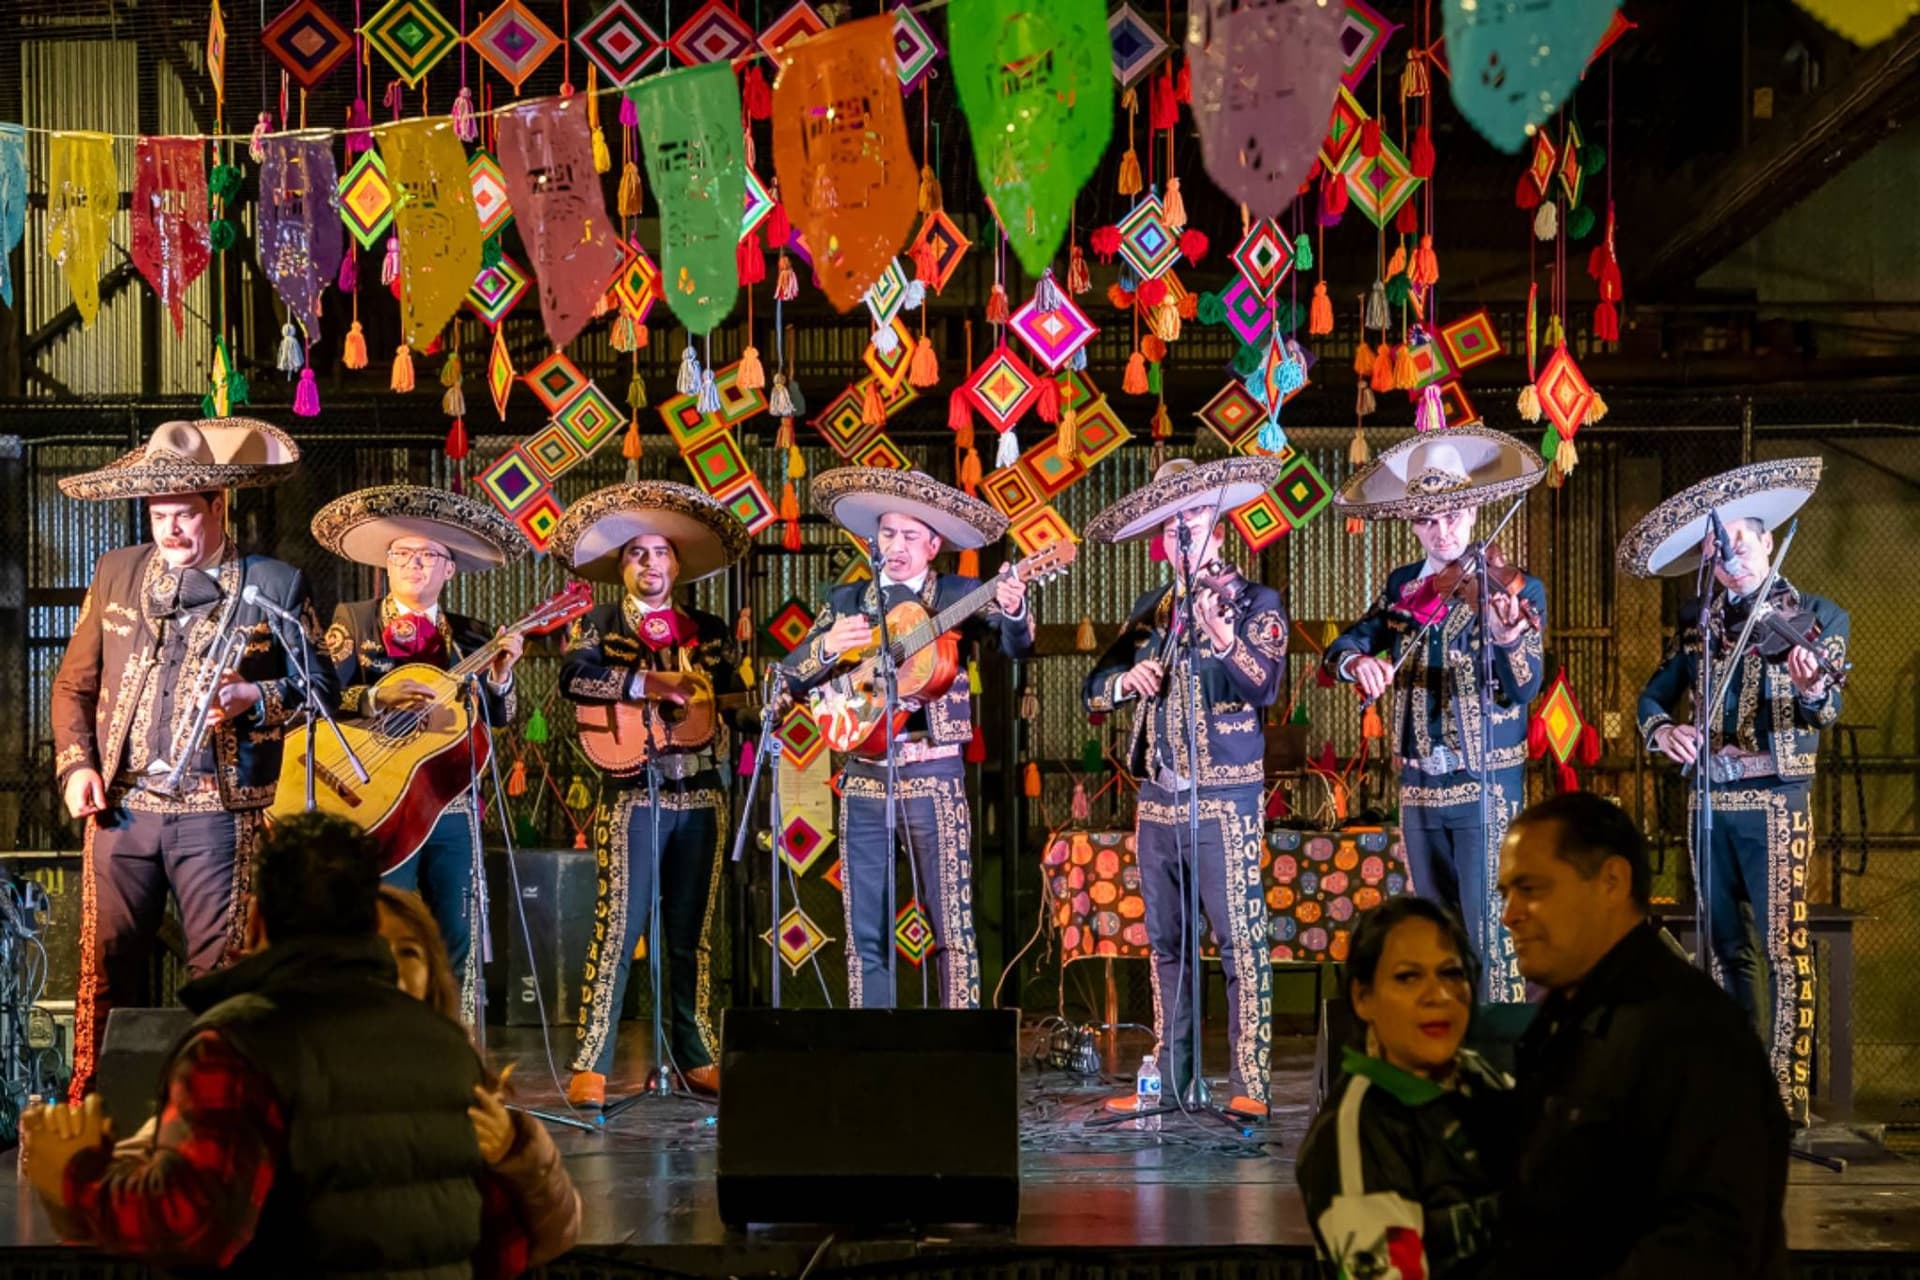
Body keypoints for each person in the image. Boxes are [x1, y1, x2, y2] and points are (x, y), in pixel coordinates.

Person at [18, 813, 549, 1276]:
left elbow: (191, 1230)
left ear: (253, 922)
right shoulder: (448, 1048)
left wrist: (75, 1176)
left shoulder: (237, 1048)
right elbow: (503, 1250)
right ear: (370, 922)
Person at [49, 417, 339, 1102]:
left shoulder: (275, 581)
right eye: (159, 515)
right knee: (105, 967)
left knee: (221, 973)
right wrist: (75, 767)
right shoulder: (116, 572)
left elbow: (321, 689)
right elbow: (72, 685)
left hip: (218, 813)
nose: (171, 530)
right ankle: (90, 1108)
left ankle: (215, 1116)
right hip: (121, 809)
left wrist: (254, 696)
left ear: (219, 507)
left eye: (185, 515)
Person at [1619, 458, 1848, 1127]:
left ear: (1769, 542)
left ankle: (1787, 1093)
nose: (1731, 566)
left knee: (1783, 943)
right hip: (1709, 803)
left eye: (1741, 549)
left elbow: (1825, 710)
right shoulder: (1702, 624)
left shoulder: (1817, 615)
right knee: (1720, 946)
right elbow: (1653, 696)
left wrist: (1811, 686)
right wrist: (1664, 732)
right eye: (1719, 559)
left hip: (1777, 801)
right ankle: (1730, 1078)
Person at [1494, 791, 1788, 1279]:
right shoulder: (1564, 1020)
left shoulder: (1690, 1033)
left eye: (1532, 888)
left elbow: (1710, 1238)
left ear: (1612, 880)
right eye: (1506, 893)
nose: (1511, 914)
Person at [781, 467, 1035, 1011]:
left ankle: (958, 1046)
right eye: (887, 535)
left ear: (934, 545)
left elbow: (1015, 647)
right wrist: (826, 648)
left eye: (909, 537)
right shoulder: (848, 600)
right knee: (864, 927)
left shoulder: (959, 593)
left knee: (951, 923)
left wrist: (1013, 606)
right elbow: (788, 676)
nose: (895, 546)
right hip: (864, 776)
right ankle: (868, 1046)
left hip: (935, 773)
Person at [1083, 456, 1289, 1119]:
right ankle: (1175, 1083)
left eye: (1193, 517)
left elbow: (1266, 686)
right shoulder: (1153, 610)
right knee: (1168, 945)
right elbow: (1095, 687)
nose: (1182, 530)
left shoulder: (1257, 601)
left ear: (1217, 525)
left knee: (1238, 942)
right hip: (1159, 798)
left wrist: (1227, 638)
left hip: (1226, 797)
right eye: (1171, 522)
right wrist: (1125, 684)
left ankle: (1250, 1084)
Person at [1324, 428, 1549, 1002]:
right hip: (1421, 784)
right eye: (1427, 520)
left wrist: (1506, 636)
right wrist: (1358, 665)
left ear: (1474, 510)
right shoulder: (1405, 585)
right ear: (1412, 524)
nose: (1443, 531)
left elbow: (1525, 688)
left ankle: (1497, 1073)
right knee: (1437, 934)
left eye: (1452, 516)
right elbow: (1351, 641)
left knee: (1490, 933)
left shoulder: (1518, 589)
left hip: (1485, 782)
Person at [548, 481, 752, 1105]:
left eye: (660, 554)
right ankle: (593, 1063)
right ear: (622, 566)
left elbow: (736, 700)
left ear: (676, 565)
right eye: (637, 554)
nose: (650, 564)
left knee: (691, 935)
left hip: (702, 795)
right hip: (632, 792)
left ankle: (694, 1057)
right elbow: (573, 679)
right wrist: (645, 684)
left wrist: (776, 701)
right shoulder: (598, 625)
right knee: (618, 927)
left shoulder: (710, 631)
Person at [314, 485, 531, 1021]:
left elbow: (501, 719)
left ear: (450, 570)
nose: (414, 563)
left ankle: (450, 1048)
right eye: (402, 554)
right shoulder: (356, 620)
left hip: (452, 805)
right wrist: (372, 696)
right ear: (386, 564)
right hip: (384, 802)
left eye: (427, 555)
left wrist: (501, 679)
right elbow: (317, 696)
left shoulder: (472, 638)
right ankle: (386, 1045)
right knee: (390, 923)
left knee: (455, 930)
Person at [1297, 898, 1513, 1279]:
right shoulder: (1357, 1133)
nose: (1438, 995)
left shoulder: (1481, 1080)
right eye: (1408, 977)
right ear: (1363, 998)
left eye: (1451, 973)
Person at [377, 886, 582, 1265]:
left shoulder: (461, 1075)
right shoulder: (306, 1069)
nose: (392, 970)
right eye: (373, 951)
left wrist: (514, 1154)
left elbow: (555, 1234)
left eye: (408, 951)